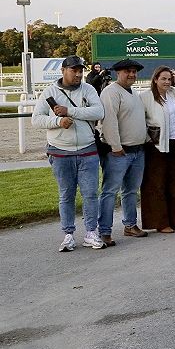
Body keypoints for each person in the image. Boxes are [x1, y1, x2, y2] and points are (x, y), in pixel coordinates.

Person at [32, 55, 106, 251]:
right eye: (74, 70)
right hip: (59, 152)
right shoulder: (50, 92)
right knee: (66, 195)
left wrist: (70, 111)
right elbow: (36, 119)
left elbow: (99, 112)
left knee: (90, 194)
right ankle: (68, 235)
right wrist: (58, 121)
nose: (78, 74)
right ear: (63, 70)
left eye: (80, 71)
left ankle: (91, 233)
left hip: (88, 149)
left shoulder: (88, 89)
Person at [98, 58, 149, 245]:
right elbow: (109, 121)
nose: (132, 75)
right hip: (119, 152)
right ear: (118, 73)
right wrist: (116, 146)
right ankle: (104, 231)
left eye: (134, 71)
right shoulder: (111, 92)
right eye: (127, 71)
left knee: (131, 191)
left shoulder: (134, 92)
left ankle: (130, 224)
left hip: (137, 150)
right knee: (110, 192)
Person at [139, 65, 175, 233]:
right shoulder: (146, 96)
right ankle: (161, 222)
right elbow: (141, 120)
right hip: (156, 146)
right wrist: (148, 138)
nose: (167, 82)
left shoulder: (174, 93)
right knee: (157, 185)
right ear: (155, 79)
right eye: (163, 79)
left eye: (169, 79)